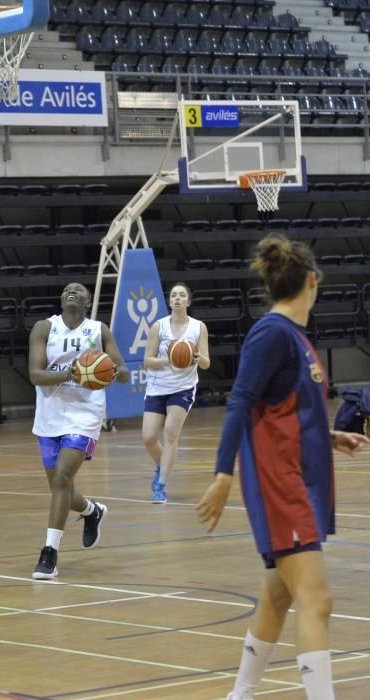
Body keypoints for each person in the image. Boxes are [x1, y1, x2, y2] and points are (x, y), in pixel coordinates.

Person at [197, 235, 369, 700]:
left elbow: (282, 411)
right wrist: (222, 475)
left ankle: (240, 694)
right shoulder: (272, 333)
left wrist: (328, 436)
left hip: (299, 481)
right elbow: (240, 402)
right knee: (319, 600)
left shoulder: (293, 337)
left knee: (279, 595)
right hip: (281, 486)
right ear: (312, 281)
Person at [29, 282, 129, 580]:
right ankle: (91, 511)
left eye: (79, 289)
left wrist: (108, 371)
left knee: (62, 477)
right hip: (50, 413)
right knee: (60, 489)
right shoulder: (44, 328)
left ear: (87, 301)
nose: (72, 290)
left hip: (85, 413)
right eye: (67, 289)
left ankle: (50, 552)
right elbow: (35, 375)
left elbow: (123, 373)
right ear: (61, 299)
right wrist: (69, 372)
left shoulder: (100, 330)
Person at [142, 282, 210, 503]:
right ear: (170, 301)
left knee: (170, 434)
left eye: (182, 295)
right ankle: (161, 466)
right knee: (149, 438)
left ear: (188, 301)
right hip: (157, 386)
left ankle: (161, 485)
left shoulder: (198, 327)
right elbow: (147, 361)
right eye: (174, 296)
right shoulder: (158, 327)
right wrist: (169, 359)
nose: (178, 298)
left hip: (182, 388)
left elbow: (207, 363)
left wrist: (199, 359)